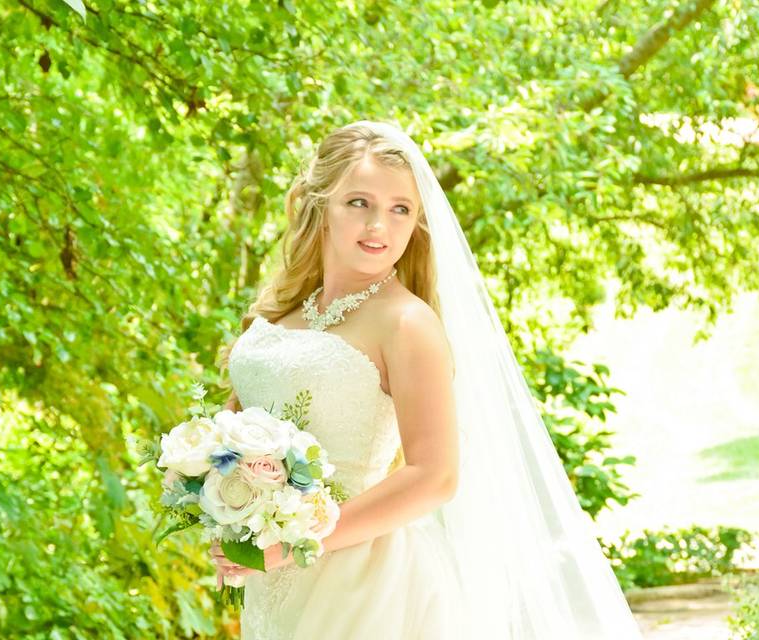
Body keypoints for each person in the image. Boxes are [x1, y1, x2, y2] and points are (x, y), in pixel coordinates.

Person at [213, 121, 645, 639]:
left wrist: (294, 541)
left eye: (401, 209)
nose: (379, 226)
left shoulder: (407, 324)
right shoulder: (283, 312)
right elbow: (239, 437)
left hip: (363, 584)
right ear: (318, 204)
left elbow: (435, 476)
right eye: (359, 202)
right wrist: (222, 504)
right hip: (275, 581)